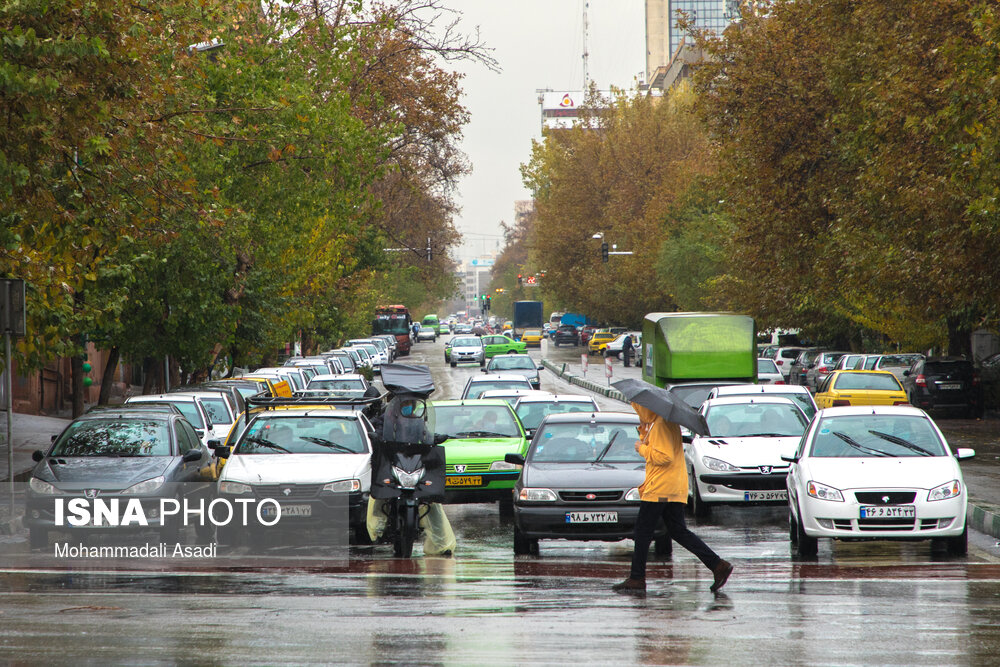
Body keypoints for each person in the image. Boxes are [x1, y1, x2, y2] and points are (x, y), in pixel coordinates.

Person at [613, 403, 733, 594]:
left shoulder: (660, 424)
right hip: (672, 486)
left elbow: (664, 457)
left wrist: (641, 449)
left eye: (638, 409)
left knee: (642, 533)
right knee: (678, 531)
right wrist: (644, 431)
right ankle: (717, 565)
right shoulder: (660, 422)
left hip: (660, 487)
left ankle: (637, 578)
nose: (637, 412)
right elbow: (659, 447)